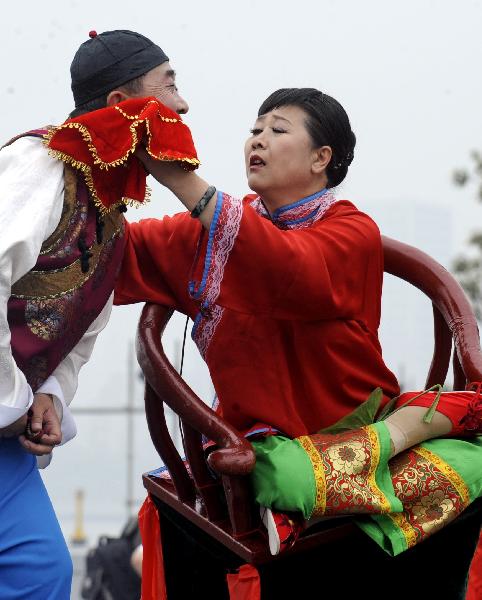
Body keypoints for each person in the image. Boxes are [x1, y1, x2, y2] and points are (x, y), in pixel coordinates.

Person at [114, 85, 482, 566]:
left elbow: (290, 270)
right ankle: (386, 458)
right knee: (283, 480)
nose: (258, 140)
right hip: (271, 444)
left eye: (277, 130)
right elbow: (110, 256)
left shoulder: (351, 230)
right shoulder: (204, 232)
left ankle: (368, 459)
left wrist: (183, 182)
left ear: (321, 158)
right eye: (254, 130)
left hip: (361, 419)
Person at [0, 29, 190, 599]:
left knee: (40, 573)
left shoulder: (108, 209)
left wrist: (51, 394)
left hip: (5, 427)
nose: (183, 104)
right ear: (120, 108)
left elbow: (82, 325)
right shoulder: (40, 163)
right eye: (169, 84)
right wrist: (12, 397)